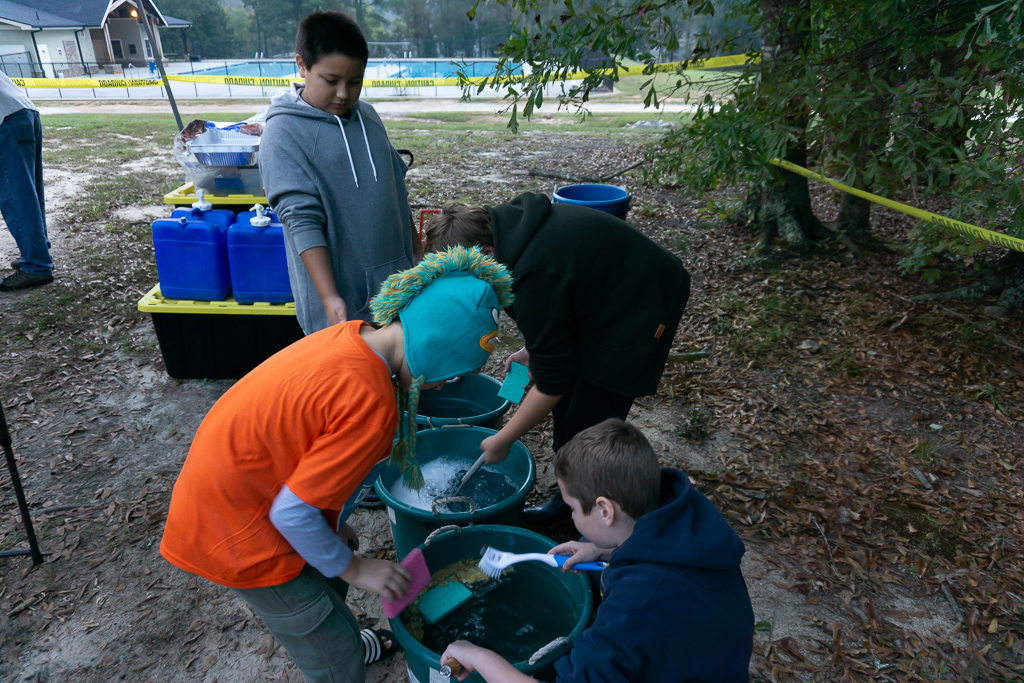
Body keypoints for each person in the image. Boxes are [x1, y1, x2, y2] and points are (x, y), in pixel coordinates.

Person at [160, 247, 514, 683]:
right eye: (453, 372)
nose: (444, 385)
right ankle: (341, 654)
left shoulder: (354, 336)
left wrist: (332, 532)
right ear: (435, 348)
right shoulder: (370, 403)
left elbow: (304, 459)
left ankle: (343, 631)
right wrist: (357, 569)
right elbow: (292, 512)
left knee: (334, 560)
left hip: (246, 494)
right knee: (330, 655)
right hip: (242, 536)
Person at [424, 194, 690, 523]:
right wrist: (534, 351)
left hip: (643, 302)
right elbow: (556, 314)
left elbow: (553, 383)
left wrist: (503, 439)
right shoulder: (510, 235)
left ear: (485, 254)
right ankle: (569, 503)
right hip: (601, 297)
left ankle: (600, 522)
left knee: (589, 420)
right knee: (568, 416)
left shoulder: (533, 272)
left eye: (466, 279)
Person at [442, 418, 754, 682]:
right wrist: (600, 550)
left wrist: (476, 655)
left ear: (605, 511)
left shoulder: (635, 607)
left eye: (573, 508)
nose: (573, 518)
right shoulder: (689, 520)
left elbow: (637, 612)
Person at [260, 10, 423, 336]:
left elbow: (396, 188)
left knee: (405, 380)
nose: (344, 94)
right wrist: (330, 298)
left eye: (355, 82)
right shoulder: (283, 134)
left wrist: (417, 253)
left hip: (398, 290)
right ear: (302, 65)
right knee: (354, 384)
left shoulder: (369, 116)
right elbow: (301, 221)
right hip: (341, 308)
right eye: (331, 81)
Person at [0, 70, 52, 291]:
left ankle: (37, 265)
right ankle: (37, 251)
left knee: (15, 196)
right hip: (24, 111)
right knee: (29, 192)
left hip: (6, 120)